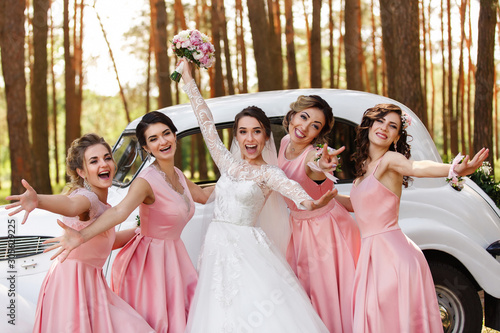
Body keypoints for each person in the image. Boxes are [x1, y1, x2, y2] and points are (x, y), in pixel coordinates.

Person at [178, 58, 332, 332]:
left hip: (247, 251)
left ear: (265, 137)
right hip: (216, 251)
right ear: (236, 137)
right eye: (243, 132)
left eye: (257, 131)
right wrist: (188, 79)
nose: (250, 138)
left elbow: (293, 190)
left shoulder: (268, 173)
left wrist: (311, 202)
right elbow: (206, 124)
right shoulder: (227, 163)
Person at [44, 113, 214, 333]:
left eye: (166, 133)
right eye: (153, 139)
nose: (162, 141)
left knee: (188, 315)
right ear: (146, 148)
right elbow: (118, 212)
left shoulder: (179, 175)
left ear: (174, 135)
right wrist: (79, 234)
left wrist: (246, 180)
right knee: (155, 322)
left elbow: (203, 195)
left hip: (174, 256)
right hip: (151, 262)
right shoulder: (145, 181)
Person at [347, 104, 488, 332]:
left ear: (396, 137)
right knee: (377, 319)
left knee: (391, 321)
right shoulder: (365, 167)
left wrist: (453, 169)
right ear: (369, 125)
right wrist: (320, 198)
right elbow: (356, 205)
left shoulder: (390, 160)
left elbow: (416, 166)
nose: (384, 128)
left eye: (392, 126)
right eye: (380, 121)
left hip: (393, 256)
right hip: (372, 254)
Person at [5, 133, 154, 333]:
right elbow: (70, 205)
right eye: (94, 161)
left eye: (107, 157)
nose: (103, 164)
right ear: (82, 172)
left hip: (91, 286)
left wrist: (140, 231)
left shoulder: (105, 205)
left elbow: (107, 242)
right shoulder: (87, 199)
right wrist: (38, 200)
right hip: (72, 287)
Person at [277, 95, 361, 332]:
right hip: (299, 228)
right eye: (303, 117)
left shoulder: (313, 155)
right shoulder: (285, 142)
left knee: (326, 295)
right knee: (304, 295)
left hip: (325, 232)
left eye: (315, 125)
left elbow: (316, 165)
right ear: (292, 115)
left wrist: (322, 165)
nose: (304, 127)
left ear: (319, 134)